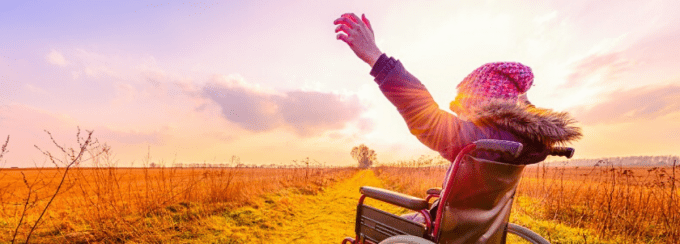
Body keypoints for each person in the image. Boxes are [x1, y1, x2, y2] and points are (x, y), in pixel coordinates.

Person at [333, 13, 582, 225]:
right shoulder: (522, 143)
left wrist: (376, 58)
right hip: (476, 233)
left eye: (466, 108)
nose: (462, 116)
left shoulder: (486, 141)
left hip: (444, 232)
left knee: (372, 220)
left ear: (486, 105)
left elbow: (426, 118)